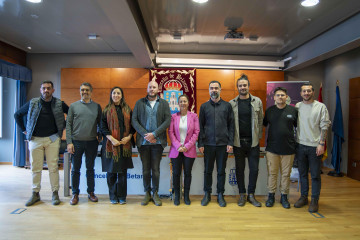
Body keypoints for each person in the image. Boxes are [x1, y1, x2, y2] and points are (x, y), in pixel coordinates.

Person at [14, 80, 69, 206]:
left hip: (52, 139)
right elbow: (17, 114)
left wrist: (62, 127)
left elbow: (71, 113)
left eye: (48, 88)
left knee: (53, 167)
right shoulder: (33, 102)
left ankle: (55, 193)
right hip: (35, 139)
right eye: (44, 88)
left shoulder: (59, 104)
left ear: (53, 90)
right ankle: (35, 193)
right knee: (35, 168)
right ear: (40, 90)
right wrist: (24, 130)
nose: (46, 90)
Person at [131, 81, 171, 206]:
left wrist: (154, 134)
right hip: (143, 143)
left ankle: (155, 193)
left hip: (158, 142)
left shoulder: (164, 103)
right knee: (145, 169)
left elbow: (167, 120)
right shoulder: (139, 103)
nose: (152, 89)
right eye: (150, 87)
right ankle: (147, 193)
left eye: (154, 87)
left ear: (158, 89)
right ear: (147, 88)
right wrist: (145, 135)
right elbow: (134, 120)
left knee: (156, 169)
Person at [294, 82, 331, 213]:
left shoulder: (320, 107)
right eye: (304, 91)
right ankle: (304, 197)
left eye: (309, 91)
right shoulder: (297, 106)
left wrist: (321, 143)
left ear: (313, 92)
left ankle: (314, 200)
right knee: (302, 174)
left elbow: (325, 126)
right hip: (300, 145)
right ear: (301, 93)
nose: (306, 93)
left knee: (315, 175)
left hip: (315, 147)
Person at [198, 81, 234, 207]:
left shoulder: (227, 106)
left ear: (220, 89)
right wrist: (200, 143)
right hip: (208, 145)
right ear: (208, 90)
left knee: (221, 171)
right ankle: (207, 194)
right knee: (207, 171)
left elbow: (231, 126)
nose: (214, 90)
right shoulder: (204, 107)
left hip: (223, 145)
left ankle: (220, 194)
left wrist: (230, 142)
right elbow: (200, 127)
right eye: (212, 88)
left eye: (216, 88)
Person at [229, 74, 263, 207]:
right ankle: (242, 194)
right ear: (237, 87)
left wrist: (258, 136)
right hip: (238, 142)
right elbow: (230, 123)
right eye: (240, 85)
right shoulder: (232, 103)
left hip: (253, 143)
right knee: (239, 169)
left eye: (245, 85)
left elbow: (260, 120)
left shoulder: (257, 101)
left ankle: (251, 195)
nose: (242, 87)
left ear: (249, 86)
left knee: (254, 169)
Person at [66, 82, 102, 205]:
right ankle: (75, 194)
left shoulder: (97, 106)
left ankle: (91, 192)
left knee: (90, 169)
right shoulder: (73, 106)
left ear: (91, 92)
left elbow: (100, 124)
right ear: (80, 91)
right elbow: (68, 125)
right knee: (75, 169)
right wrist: (69, 142)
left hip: (92, 142)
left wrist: (99, 136)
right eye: (82, 90)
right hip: (76, 142)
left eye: (87, 90)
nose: (84, 92)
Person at [263, 87, 298, 209]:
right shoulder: (269, 111)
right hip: (272, 149)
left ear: (286, 97)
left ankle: (284, 197)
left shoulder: (293, 111)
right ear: (274, 97)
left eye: (283, 95)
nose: (280, 97)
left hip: (288, 149)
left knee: (285, 175)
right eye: (278, 95)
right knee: (272, 174)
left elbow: (298, 127)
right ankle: (271, 196)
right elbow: (263, 125)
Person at [100, 87, 135, 204]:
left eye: (118, 93)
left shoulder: (128, 110)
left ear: (122, 95)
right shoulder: (106, 110)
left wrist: (129, 137)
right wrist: (112, 139)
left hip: (124, 145)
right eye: (114, 93)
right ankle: (113, 196)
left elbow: (133, 126)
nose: (116, 95)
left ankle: (122, 197)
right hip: (110, 145)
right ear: (111, 95)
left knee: (122, 173)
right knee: (111, 173)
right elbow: (102, 127)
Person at [168, 94, 200, 206]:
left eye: (185, 101)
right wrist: (178, 146)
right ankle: (177, 196)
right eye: (181, 101)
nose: (183, 103)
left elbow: (196, 132)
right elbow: (170, 133)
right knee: (176, 174)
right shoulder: (173, 117)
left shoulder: (194, 116)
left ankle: (186, 196)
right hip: (176, 150)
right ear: (178, 103)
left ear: (188, 103)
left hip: (189, 150)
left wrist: (187, 146)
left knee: (187, 174)